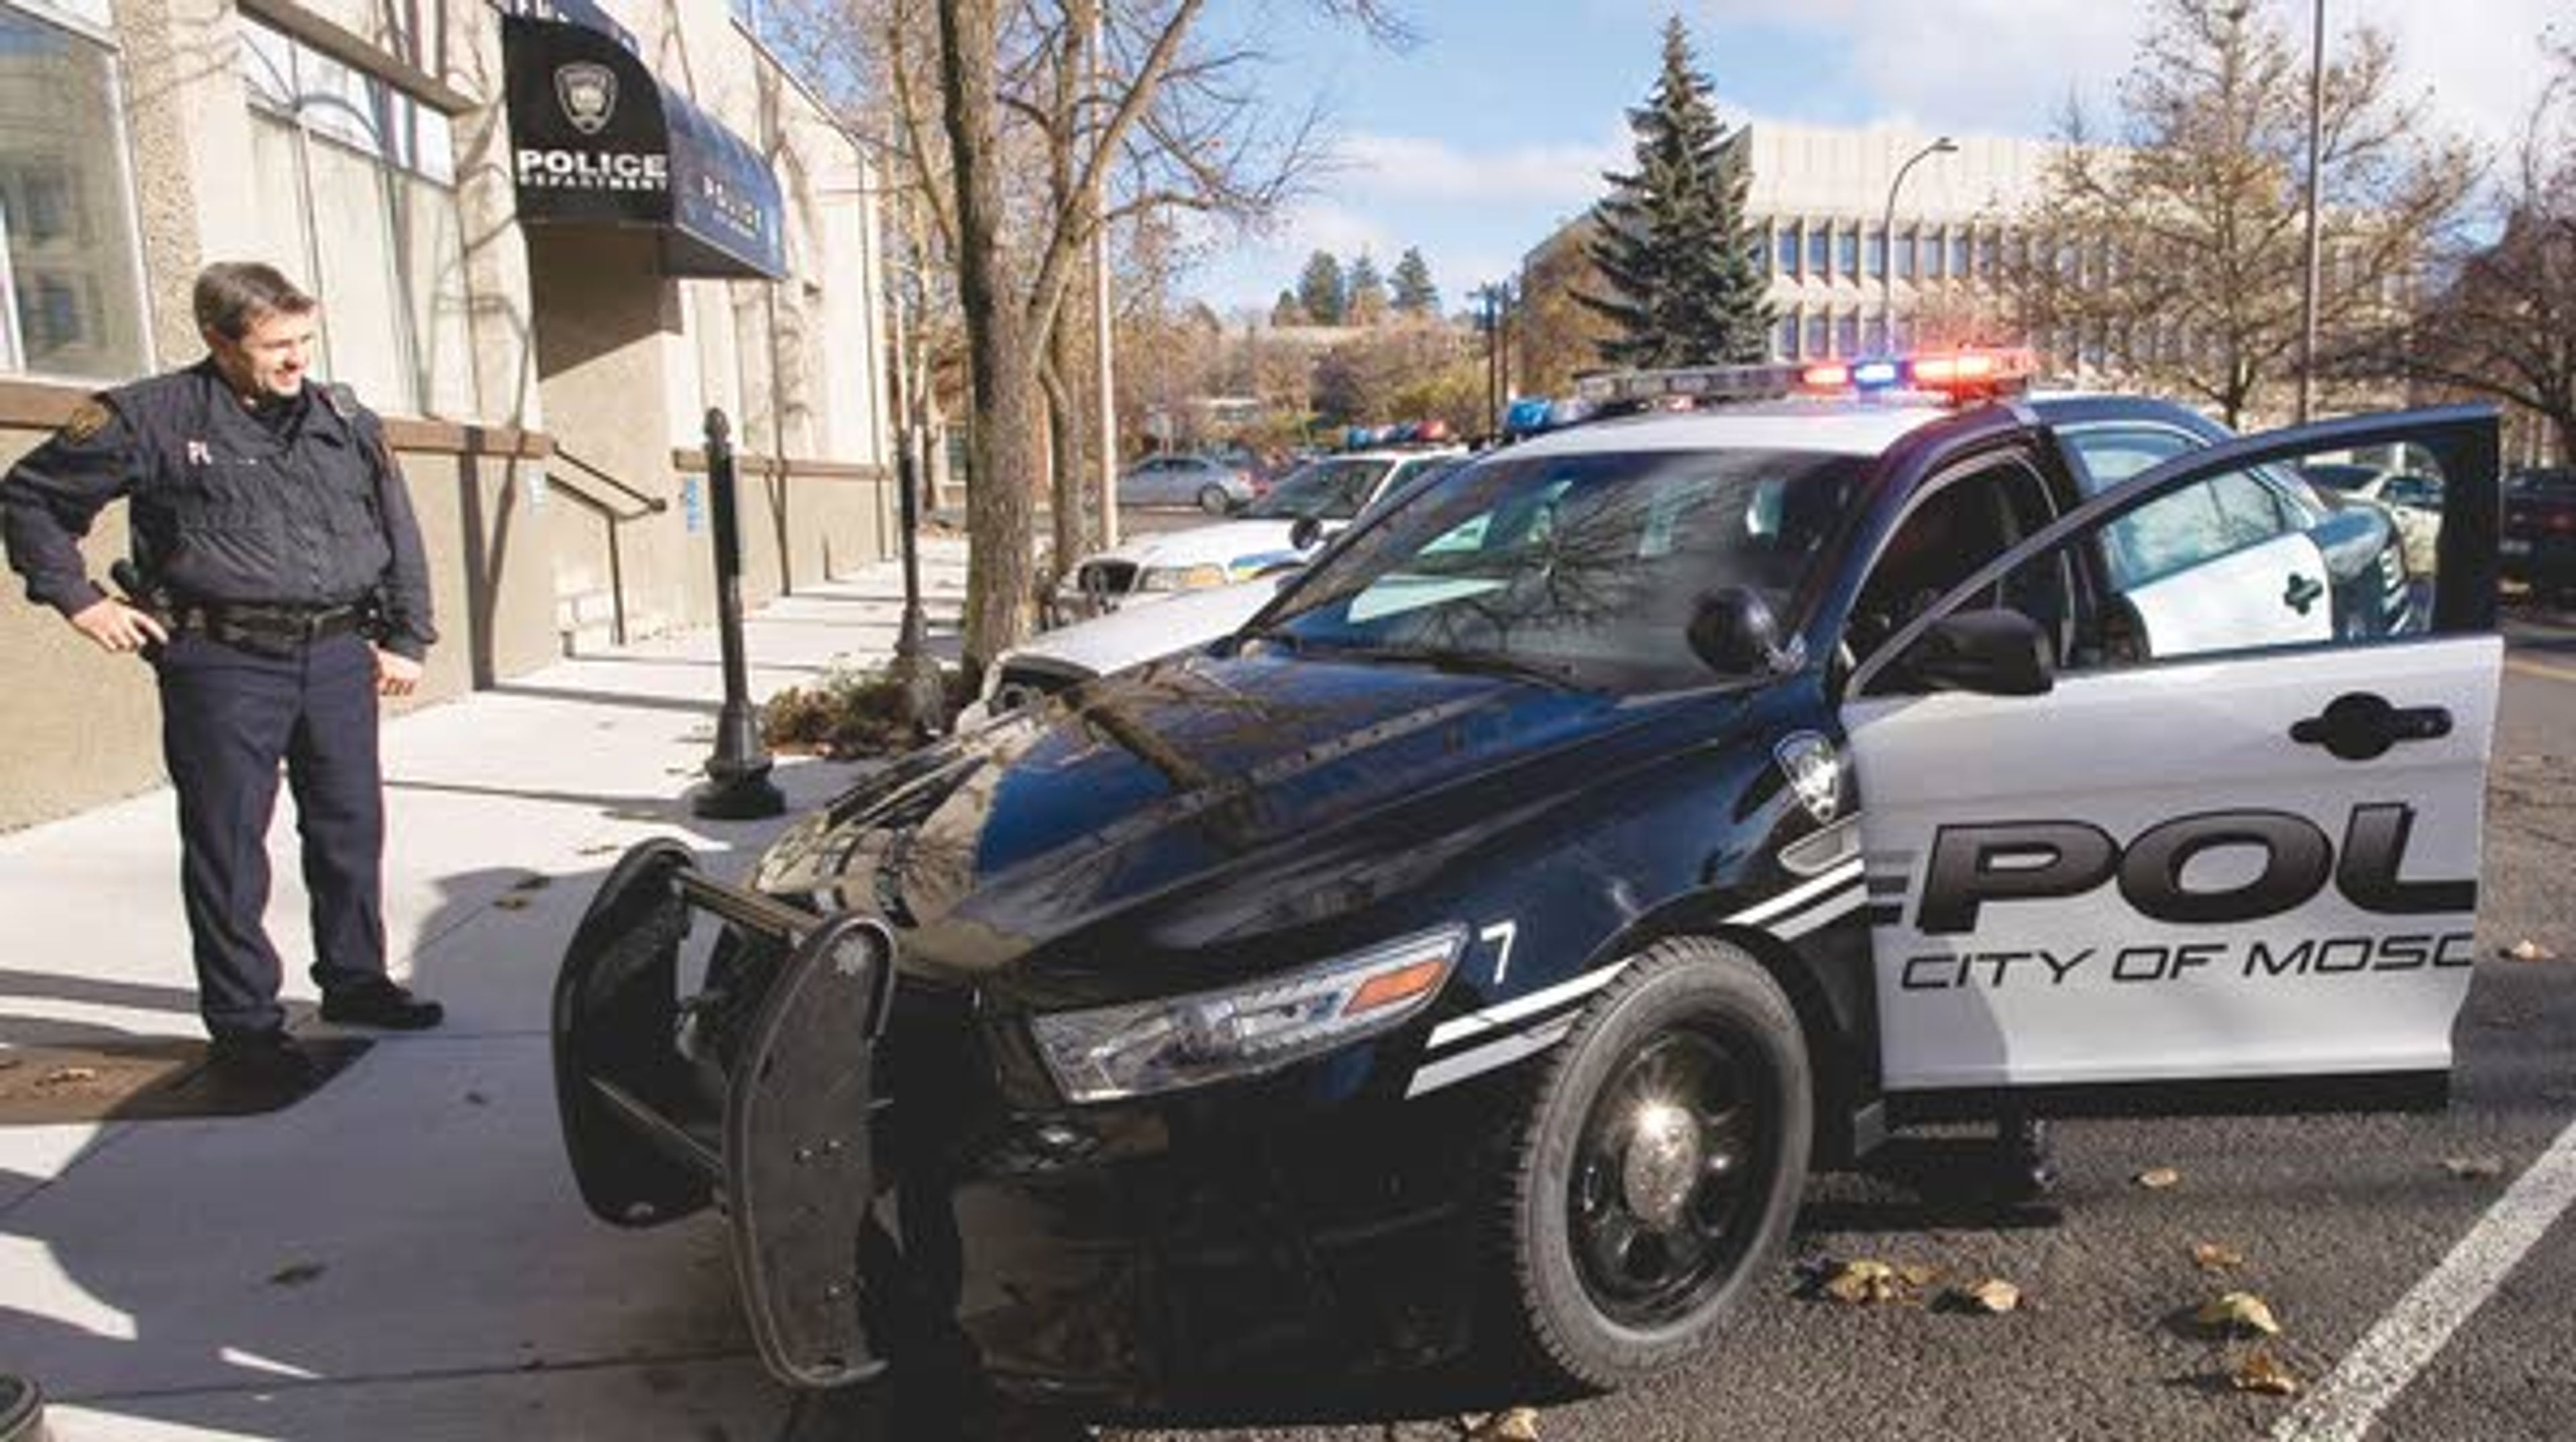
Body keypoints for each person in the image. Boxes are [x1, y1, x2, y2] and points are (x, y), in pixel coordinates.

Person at [1, 262, 443, 1087]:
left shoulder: (343, 418)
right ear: (219, 339)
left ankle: (356, 979)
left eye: (304, 340)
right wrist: (79, 599)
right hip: (224, 660)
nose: (295, 360)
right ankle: (245, 1024)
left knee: (349, 828)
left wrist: (408, 636)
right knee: (229, 843)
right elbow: (28, 498)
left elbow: (396, 528)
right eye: (276, 344)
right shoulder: (150, 418)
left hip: (339, 655)